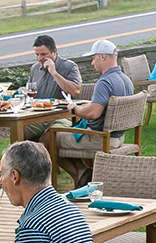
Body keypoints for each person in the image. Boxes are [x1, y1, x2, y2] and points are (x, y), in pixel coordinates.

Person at [53, 40, 133, 187]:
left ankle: (81, 174)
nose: (92, 63)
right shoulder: (126, 80)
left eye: (93, 58)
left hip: (100, 137)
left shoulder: (104, 82)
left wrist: (74, 109)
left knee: (48, 138)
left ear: (103, 57)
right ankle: (83, 174)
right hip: (118, 136)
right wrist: (87, 106)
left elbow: (94, 113)